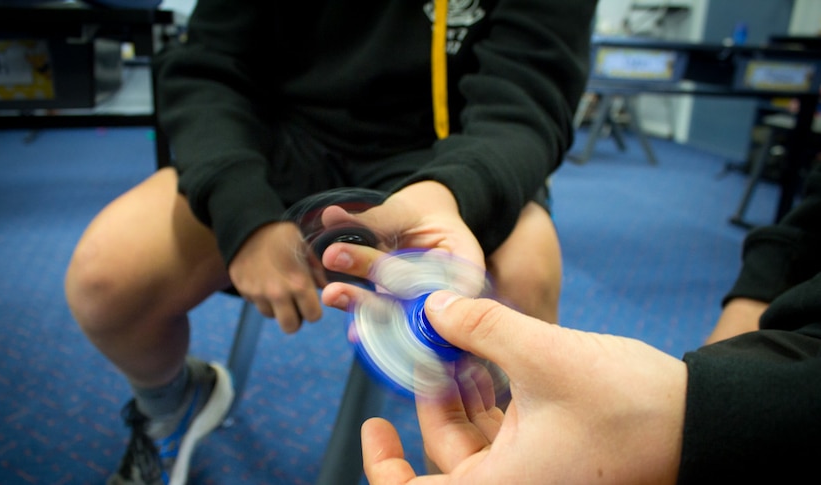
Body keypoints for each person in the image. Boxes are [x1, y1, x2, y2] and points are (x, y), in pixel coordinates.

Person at [63, 0, 597, 483]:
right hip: (283, 140)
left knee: (518, 292)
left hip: (454, 156)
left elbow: (529, 99)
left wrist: (452, 191)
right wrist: (240, 209)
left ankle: (480, 470)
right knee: (105, 275)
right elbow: (208, 66)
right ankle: (170, 409)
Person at [347, 161, 821, 484]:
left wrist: (693, 414)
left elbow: (528, 98)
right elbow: (808, 221)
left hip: (490, 169)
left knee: (526, 272)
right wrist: (734, 337)